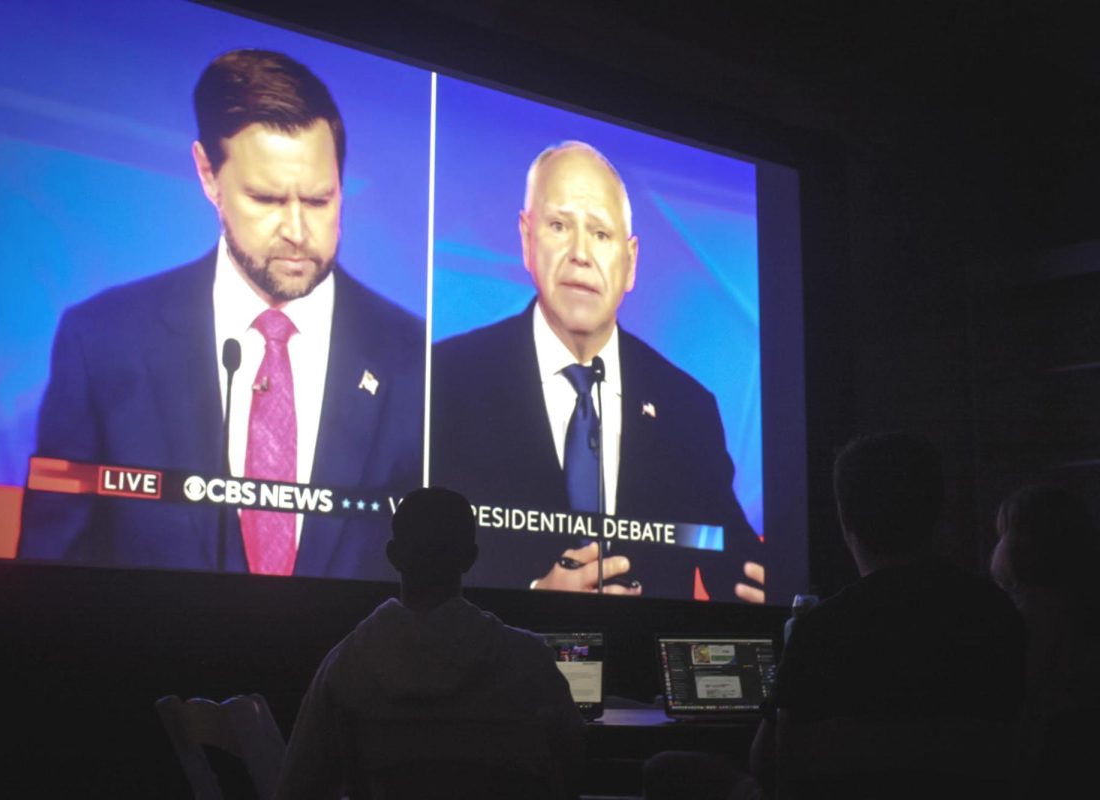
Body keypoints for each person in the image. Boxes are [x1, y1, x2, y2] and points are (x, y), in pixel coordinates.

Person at [18, 50, 423, 577]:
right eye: (266, 198)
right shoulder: (101, 341)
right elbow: (48, 575)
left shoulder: (417, 359)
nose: (298, 232)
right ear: (208, 175)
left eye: (320, 200)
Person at [430, 140, 763, 602]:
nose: (581, 254)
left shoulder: (688, 407)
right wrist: (531, 598)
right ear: (526, 238)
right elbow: (411, 568)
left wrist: (773, 589)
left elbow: (736, 563)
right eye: (559, 225)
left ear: (630, 262)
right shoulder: (445, 380)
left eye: (601, 234)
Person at [751, 432, 1026, 797]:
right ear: (938, 509)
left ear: (846, 521)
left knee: (670, 767)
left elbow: (769, 767)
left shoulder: (820, 629)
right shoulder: (996, 613)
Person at [274, 487, 585, 799]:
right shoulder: (529, 662)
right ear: (470, 557)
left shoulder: (344, 668)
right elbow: (573, 771)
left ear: (393, 555)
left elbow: (298, 787)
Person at [991, 485, 1100, 795]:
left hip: (1052, 745)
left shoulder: (1036, 608)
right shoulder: (1078, 598)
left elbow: (1023, 681)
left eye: (1003, 535)